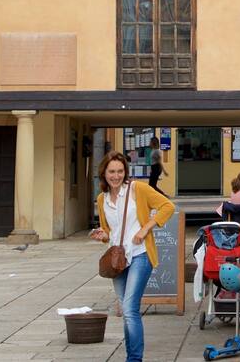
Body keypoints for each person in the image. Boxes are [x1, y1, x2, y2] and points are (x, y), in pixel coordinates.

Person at [89, 151, 176, 362]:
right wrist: (102, 235)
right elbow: (110, 231)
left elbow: (167, 206)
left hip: (140, 254)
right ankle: (132, 357)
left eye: (120, 171)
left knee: (129, 309)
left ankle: (134, 359)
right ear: (104, 173)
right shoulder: (102, 199)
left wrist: (145, 228)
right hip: (118, 260)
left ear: (125, 172)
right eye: (112, 171)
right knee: (127, 311)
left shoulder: (137, 189)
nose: (116, 176)